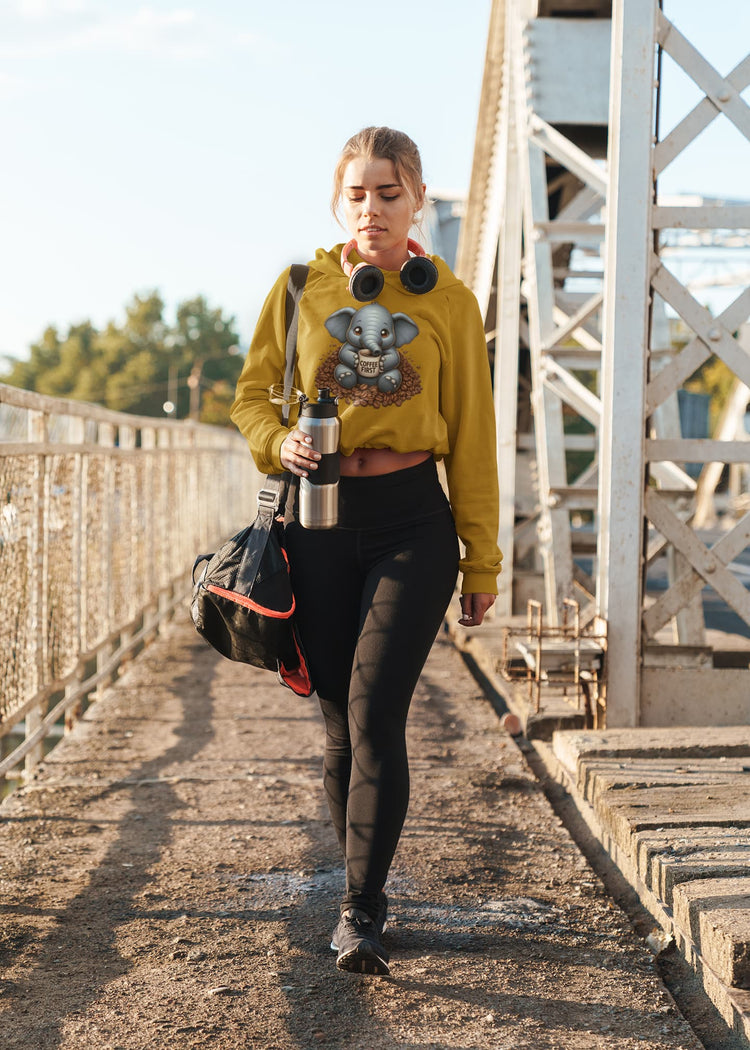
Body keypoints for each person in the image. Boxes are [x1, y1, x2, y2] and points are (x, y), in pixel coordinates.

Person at [231, 126, 502, 976]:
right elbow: (248, 402)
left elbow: (477, 443)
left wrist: (483, 560)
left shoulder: (450, 302)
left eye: (389, 193)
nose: (372, 209)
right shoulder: (298, 290)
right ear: (337, 201)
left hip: (414, 524)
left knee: (378, 710)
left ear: (418, 198)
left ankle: (361, 913)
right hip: (318, 520)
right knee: (339, 726)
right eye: (358, 193)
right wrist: (281, 443)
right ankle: (358, 885)